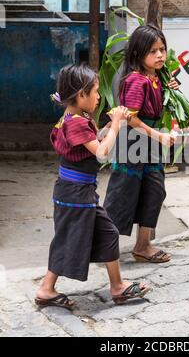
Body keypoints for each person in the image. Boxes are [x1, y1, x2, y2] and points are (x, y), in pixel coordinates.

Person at [35, 64, 151, 310]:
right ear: (80, 95)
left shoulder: (74, 117)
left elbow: (94, 141)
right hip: (74, 194)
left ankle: (117, 286)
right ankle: (47, 289)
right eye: (96, 91)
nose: (99, 96)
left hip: (78, 192)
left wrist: (112, 124)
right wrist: (118, 125)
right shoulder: (75, 122)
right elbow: (101, 152)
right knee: (69, 239)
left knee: (105, 234)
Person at [104, 24, 179, 264]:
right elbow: (130, 118)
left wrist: (171, 90)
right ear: (138, 53)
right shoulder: (137, 81)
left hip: (149, 144)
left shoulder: (157, 76)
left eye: (162, 49)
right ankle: (104, 247)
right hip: (134, 142)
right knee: (123, 193)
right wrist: (158, 135)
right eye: (153, 51)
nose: (160, 55)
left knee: (154, 190)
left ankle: (143, 245)